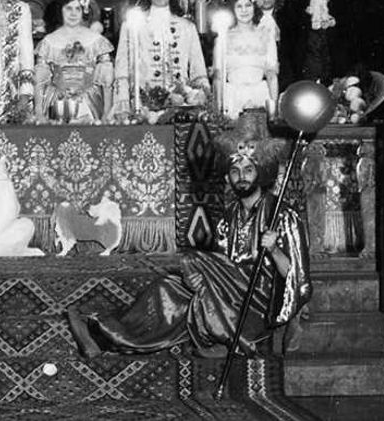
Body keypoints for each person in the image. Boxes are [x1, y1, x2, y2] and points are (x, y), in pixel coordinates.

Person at [67, 118, 311, 358]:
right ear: (228, 177)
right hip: (229, 293)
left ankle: (226, 339)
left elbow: (296, 276)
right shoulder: (229, 217)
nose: (242, 177)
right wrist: (201, 279)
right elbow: (222, 268)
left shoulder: (283, 216)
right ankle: (101, 337)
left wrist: (273, 250)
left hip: (260, 299)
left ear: (261, 173)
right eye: (235, 172)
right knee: (166, 289)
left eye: (248, 171)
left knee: (194, 261)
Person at [113, 0, 208, 117]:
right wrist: (123, 100)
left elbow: (198, 66)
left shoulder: (186, 27)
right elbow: (122, 65)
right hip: (143, 102)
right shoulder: (131, 26)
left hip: (181, 101)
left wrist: (201, 95)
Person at [33, 0, 114, 122]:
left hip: (89, 104)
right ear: (61, 10)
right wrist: (39, 113)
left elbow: (107, 82)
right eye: (69, 8)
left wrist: (107, 113)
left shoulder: (97, 41)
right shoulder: (49, 42)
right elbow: (39, 82)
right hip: (57, 103)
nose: (73, 13)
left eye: (78, 9)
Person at [213, 0, 279, 119]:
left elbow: (272, 75)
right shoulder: (223, 38)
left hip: (260, 97)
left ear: (254, 7)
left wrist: (274, 111)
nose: (244, 10)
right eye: (239, 6)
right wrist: (218, 111)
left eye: (248, 5)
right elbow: (218, 77)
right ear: (233, 9)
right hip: (232, 98)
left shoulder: (266, 35)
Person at [289, 0, 354, 83]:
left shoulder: (343, 5)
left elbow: (352, 47)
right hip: (305, 82)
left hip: (338, 80)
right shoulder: (294, 7)